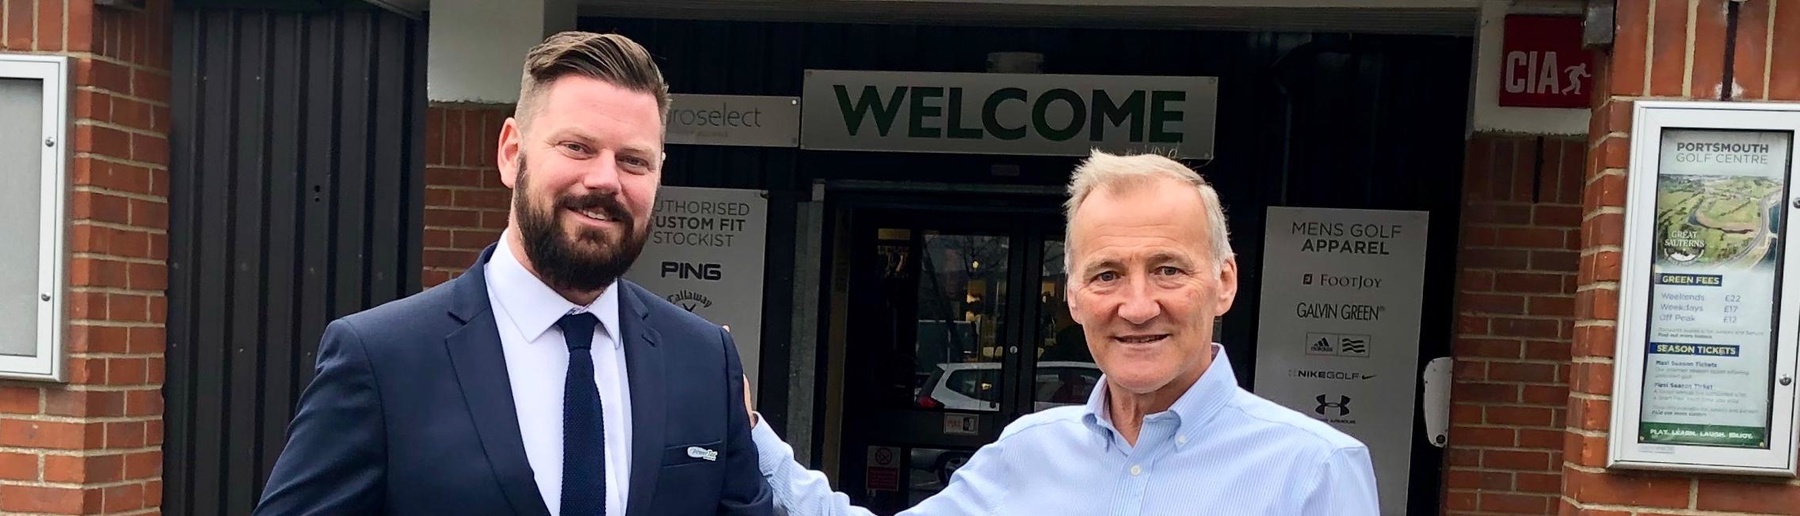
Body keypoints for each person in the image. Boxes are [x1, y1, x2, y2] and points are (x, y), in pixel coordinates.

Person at [255, 31, 772, 516]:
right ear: (511, 153)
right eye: (577, 147)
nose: (604, 180)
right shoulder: (382, 360)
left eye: (633, 161)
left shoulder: (705, 361)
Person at [744, 150, 1379, 515]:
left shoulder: (1314, 470)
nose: (1137, 307)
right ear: (1073, 296)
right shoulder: (1027, 453)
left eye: (1168, 269)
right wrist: (745, 427)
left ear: (1224, 282)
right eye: (1107, 274)